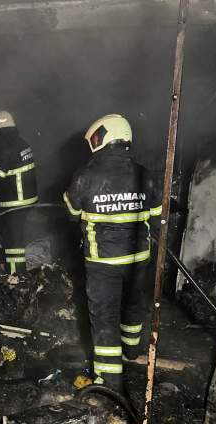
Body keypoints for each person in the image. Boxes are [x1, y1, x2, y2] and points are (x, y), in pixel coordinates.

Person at [63, 114, 162, 390]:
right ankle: (133, 351)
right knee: (132, 303)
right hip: (138, 258)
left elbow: (72, 213)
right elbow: (157, 219)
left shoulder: (85, 177)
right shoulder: (147, 176)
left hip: (102, 262)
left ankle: (109, 381)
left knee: (105, 317)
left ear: (101, 140)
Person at [0, 111, 38, 275]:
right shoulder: (20, 142)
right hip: (25, 199)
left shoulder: (5, 146)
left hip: (15, 202)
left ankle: (16, 278)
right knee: (5, 233)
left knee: (14, 243)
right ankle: (3, 264)